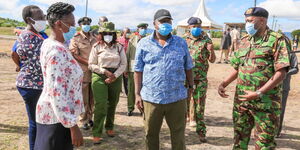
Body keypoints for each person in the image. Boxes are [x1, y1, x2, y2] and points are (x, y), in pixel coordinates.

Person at [218, 7, 291, 149]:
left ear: (262, 20)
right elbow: (237, 67)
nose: (247, 24)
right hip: (242, 102)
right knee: (239, 141)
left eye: (250, 21)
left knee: (264, 144)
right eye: (246, 20)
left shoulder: (277, 40)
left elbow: (281, 72)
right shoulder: (244, 40)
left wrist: (258, 93)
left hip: (266, 103)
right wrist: (224, 83)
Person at [135, 9, 194, 150]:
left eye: (168, 21)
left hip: (177, 97)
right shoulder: (143, 43)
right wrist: (137, 94)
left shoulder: (181, 43)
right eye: (162, 21)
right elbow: (138, 70)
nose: (166, 24)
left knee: (178, 134)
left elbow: (188, 66)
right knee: (150, 134)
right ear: (154, 24)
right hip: (151, 98)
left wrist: (191, 87)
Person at [35, 2, 84, 149]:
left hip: (58, 115)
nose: (74, 28)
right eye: (71, 24)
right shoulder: (56, 52)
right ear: (59, 24)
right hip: (57, 119)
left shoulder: (53, 44)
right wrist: (72, 126)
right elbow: (56, 92)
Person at [88, 22, 127, 144]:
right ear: (101, 34)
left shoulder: (119, 47)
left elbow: (124, 64)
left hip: (116, 76)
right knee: (101, 104)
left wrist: (115, 75)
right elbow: (91, 64)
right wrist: (104, 71)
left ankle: (109, 127)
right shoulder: (96, 47)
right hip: (100, 76)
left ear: (114, 34)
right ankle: (97, 132)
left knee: (113, 103)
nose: (108, 35)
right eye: (105, 33)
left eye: (110, 33)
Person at [15, 5, 46, 150]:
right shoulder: (28, 37)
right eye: (40, 18)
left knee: (37, 121)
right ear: (29, 19)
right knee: (35, 121)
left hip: (34, 84)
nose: (43, 20)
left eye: (43, 17)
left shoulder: (36, 35)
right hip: (32, 85)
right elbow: (37, 65)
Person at [186, 17, 216, 142]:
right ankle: (181, 132)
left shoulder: (206, 40)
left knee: (199, 107)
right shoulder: (183, 39)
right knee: (182, 106)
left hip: (200, 79)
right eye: (194, 26)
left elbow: (213, 60)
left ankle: (201, 132)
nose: (196, 28)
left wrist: (212, 50)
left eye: (198, 26)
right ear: (189, 27)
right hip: (185, 79)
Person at [69, 16, 97, 130]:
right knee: (84, 98)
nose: (86, 25)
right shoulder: (75, 38)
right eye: (84, 23)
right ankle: (84, 119)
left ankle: (90, 117)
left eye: (88, 23)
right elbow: (74, 55)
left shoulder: (94, 38)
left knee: (92, 98)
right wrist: (89, 63)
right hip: (83, 71)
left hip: (94, 71)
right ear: (80, 25)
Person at [125, 23, 148, 116]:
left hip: (145, 69)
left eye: (145, 28)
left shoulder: (149, 40)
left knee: (143, 89)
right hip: (133, 68)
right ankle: (130, 108)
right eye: (142, 28)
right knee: (131, 90)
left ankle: (142, 109)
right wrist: (125, 69)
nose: (144, 30)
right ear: (138, 29)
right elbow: (128, 54)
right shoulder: (132, 40)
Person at [277, 51, 298, 137]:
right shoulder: (272, 50)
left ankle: (277, 132)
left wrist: (284, 73)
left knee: (280, 109)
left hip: (283, 87)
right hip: (268, 86)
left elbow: (295, 68)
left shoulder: (291, 53)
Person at [118, 27, 131, 96]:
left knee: (127, 79)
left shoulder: (131, 41)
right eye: (127, 32)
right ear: (123, 33)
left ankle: (128, 93)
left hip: (128, 62)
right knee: (119, 79)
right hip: (119, 63)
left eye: (129, 32)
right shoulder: (119, 41)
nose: (128, 34)